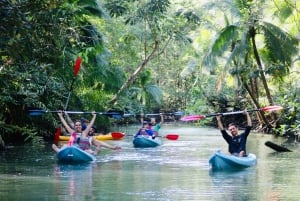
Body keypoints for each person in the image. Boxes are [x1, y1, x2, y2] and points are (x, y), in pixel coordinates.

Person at [52, 111, 121, 155]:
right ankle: (58, 150)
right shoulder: (72, 132)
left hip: (83, 150)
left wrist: (94, 116)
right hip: (73, 148)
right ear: (74, 126)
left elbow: (90, 124)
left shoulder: (85, 133)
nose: (77, 126)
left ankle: (95, 152)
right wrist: (60, 116)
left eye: (79, 125)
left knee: (91, 150)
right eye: (76, 125)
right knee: (64, 146)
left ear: (81, 127)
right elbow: (66, 125)